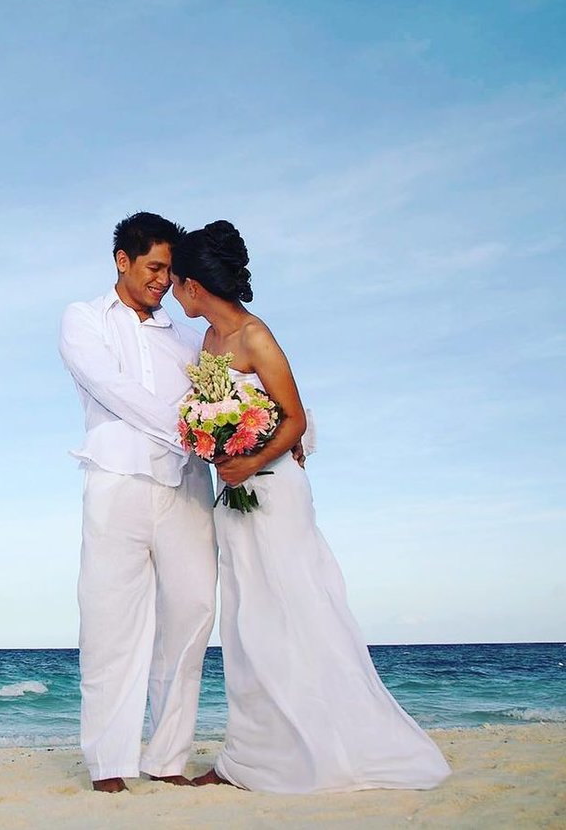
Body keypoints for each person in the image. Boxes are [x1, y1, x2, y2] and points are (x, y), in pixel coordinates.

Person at [169, 220, 451, 792]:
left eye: (176, 283)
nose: (174, 293)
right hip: (234, 498)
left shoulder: (255, 337)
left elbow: (294, 418)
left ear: (194, 286)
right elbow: (222, 412)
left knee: (292, 613)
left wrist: (249, 460)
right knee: (246, 623)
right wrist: (216, 446)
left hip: (274, 493)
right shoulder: (209, 341)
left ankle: (323, 749)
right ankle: (250, 755)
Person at [58, 212, 217, 792]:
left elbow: (223, 394)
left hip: (187, 489)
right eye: (154, 267)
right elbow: (112, 388)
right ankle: (109, 764)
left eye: (169, 270)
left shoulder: (187, 339)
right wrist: (192, 433)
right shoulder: (83, 319)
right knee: (110, 621)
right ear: (122, 261)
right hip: (117, 482)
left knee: (193, 614)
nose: (163, 280)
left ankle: (168, 758)